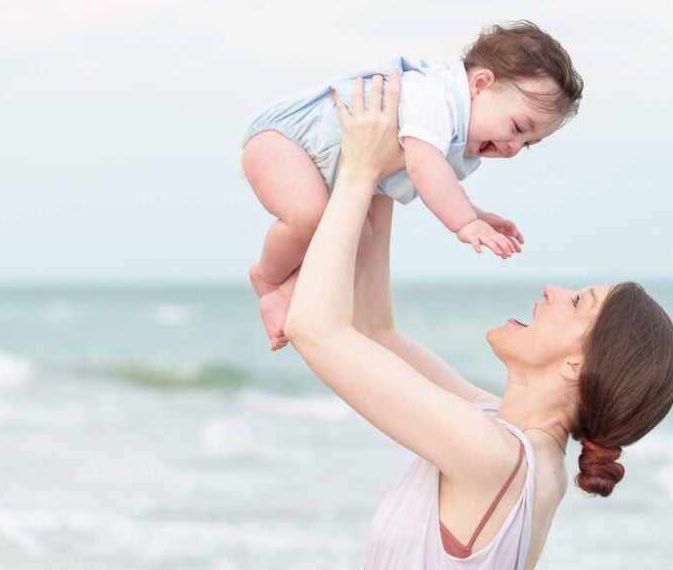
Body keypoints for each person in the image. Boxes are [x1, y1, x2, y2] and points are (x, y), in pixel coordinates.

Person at [279, 72, 673, 570]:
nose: (553, 292)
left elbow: (317, 329)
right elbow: (374, 333)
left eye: (578, 304)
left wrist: (363, 170)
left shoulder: (494, 459)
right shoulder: (500, 439)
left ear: (576, 367)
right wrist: (390, 175)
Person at [241, 21, 583, 350]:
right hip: (286, 141)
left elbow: (438, 180)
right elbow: (424, 167)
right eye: (518, 127)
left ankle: (285, 295)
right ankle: (268, 278)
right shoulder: (437, 96)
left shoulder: (455, 137)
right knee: (310, 215)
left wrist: (478, 214)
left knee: (353, 243)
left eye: (527, 144)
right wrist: (465, 222)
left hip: (320, 166)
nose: (513, 146)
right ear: (481, 84)